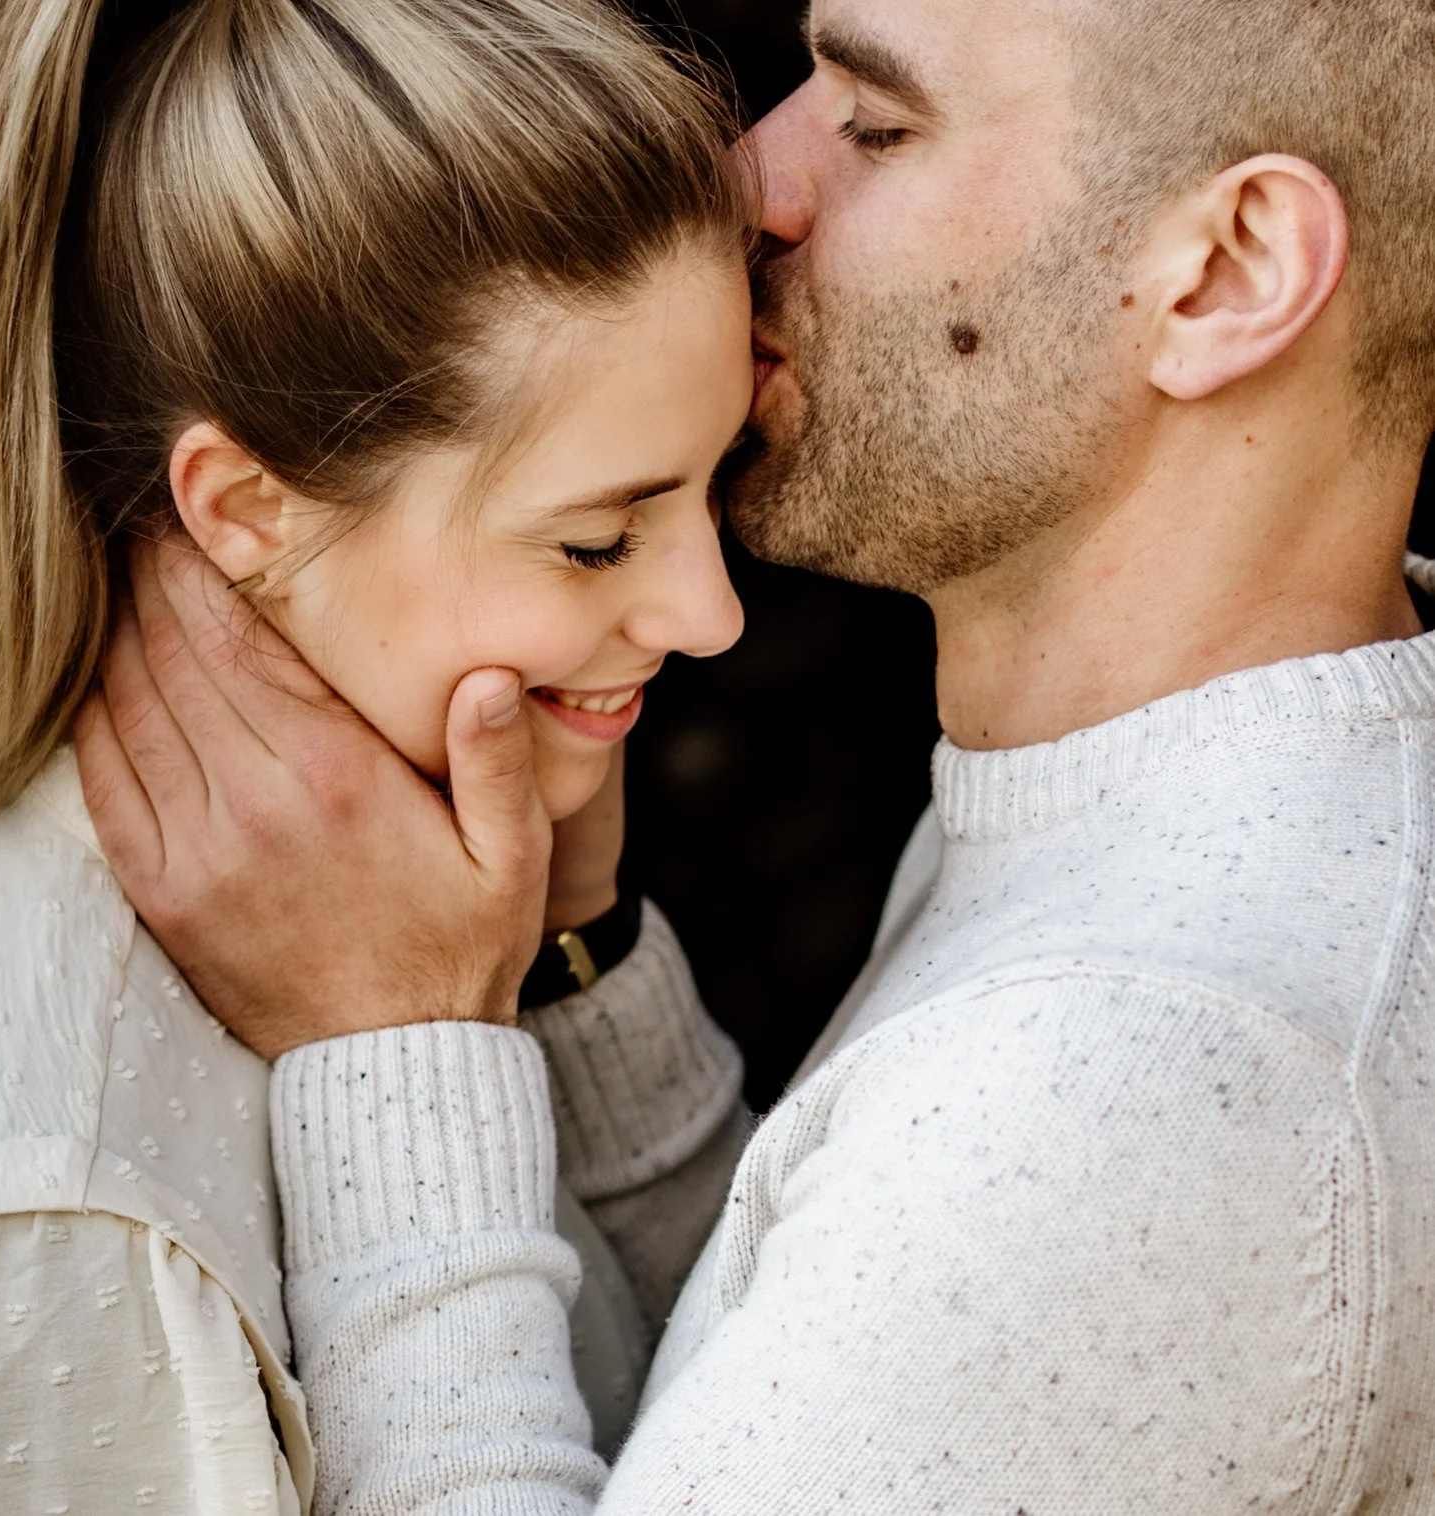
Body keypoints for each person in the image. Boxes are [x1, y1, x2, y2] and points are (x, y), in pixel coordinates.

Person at [76, 0, 1435, 1510]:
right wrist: (576, 963)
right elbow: (812, 1392)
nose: (745, 178)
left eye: (874, 125)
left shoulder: (1154, 1076)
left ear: (1224, 273)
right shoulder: (1200, 822)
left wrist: (391, 1058)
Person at [0, 1, 771, 1511]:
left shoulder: (453, 894)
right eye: (594, 540)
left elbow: (759, 1423)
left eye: (721, 481)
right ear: (244, 514)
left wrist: (568, 967)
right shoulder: (47, 1238)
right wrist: (415, 1062)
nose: (710, 614)